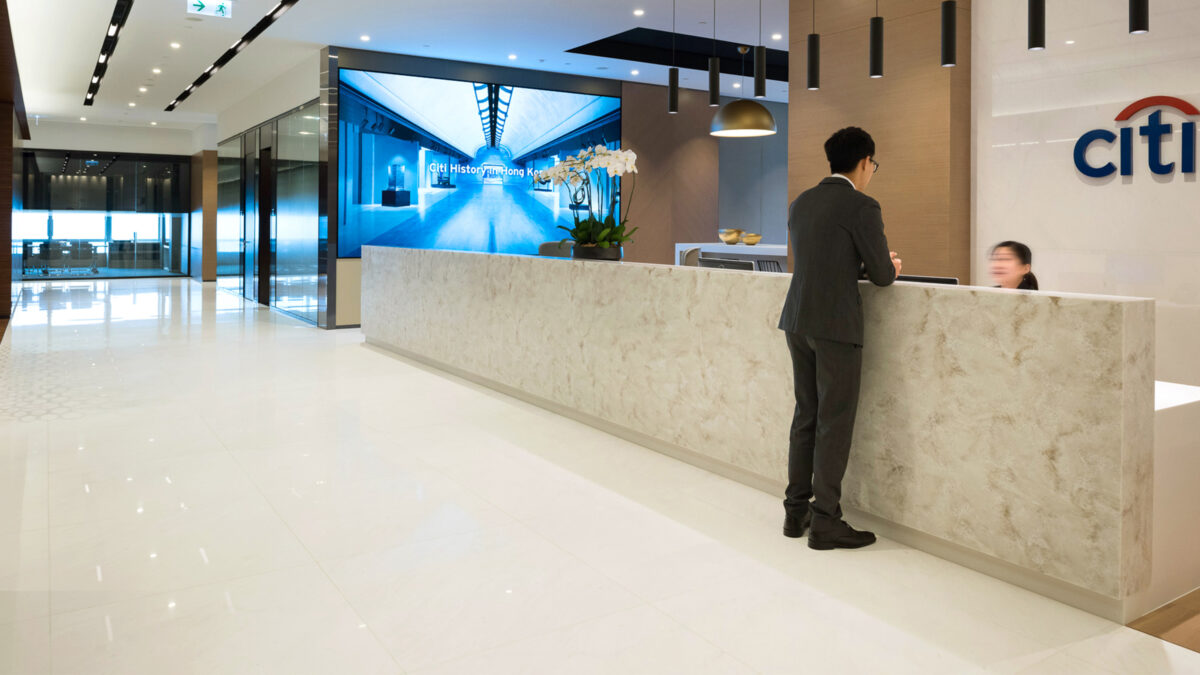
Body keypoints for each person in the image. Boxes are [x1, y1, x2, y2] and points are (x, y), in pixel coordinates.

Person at [777, 127, 902, 550]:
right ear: (865, 161)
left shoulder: (802, 203)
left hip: (798, 320)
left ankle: (796, 513)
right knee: (834, 422)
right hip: (835, 327)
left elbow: (826, 259)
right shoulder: (862, 205)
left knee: (806, 416)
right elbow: (883, 276)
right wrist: (889, 265)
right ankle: (827, 520)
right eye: (874, 165)